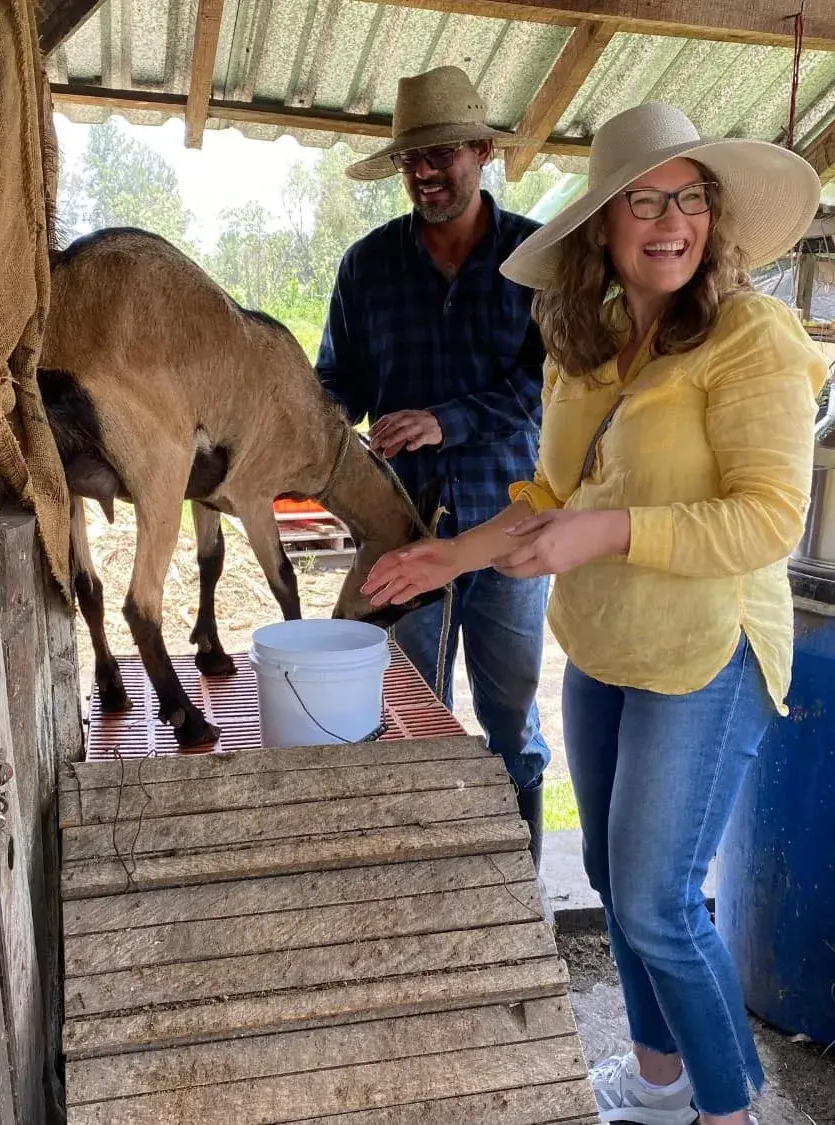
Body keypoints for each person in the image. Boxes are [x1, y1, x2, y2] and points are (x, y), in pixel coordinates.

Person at [362, 101, 828, 1125]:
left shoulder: (754, 335)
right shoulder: (587, 337)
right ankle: (657, 1086)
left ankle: (727, 1112)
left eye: (690, 199)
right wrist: (450, 553)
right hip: (610, 640)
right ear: (601, 229)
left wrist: (605, 533)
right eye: (644, 201)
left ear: (714, 218)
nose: (671, 221)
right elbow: (551, 500)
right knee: (620, 887)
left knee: (661, 904)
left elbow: (766, 521)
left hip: (709, 649)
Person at [316, 65, 551, 862]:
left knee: (512, 718)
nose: (426, 171)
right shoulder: (366, 266)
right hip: (398, 528)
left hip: (514, 529)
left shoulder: (536, 259)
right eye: (413, 157)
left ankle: (516, 881)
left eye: (444, 152)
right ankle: (423, 875)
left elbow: (548, 386)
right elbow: (337, 382)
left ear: (483, 151)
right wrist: (314, 432)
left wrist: (445, 421)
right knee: (410, 713)